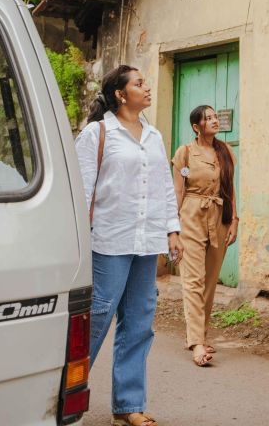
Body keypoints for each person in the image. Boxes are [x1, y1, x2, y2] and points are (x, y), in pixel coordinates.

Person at [76, 65, 184, 426]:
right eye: (139, 83)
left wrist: (172, 230)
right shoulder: (98, 133)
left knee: (139, 322)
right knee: (97, 319)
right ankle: (61, 395)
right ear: (121, 94)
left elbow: (165, 188)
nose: (146, 87)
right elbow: (82, 191)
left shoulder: (153, 136)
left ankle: (127, 406)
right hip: (109, 239)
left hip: (147, 240)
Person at [172, 105, 239, 366]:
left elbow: (230, 188)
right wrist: (173, 228)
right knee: (193, 280)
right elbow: (178, 191)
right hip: (190, 216)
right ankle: (197, 342)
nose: (213, 121)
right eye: (207, 118)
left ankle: (201, 333)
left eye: (214, 117)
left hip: (219, 217)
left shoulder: (226, 151)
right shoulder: (185, 153)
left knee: (210, 280)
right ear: (196, 126)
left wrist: (234, 220)